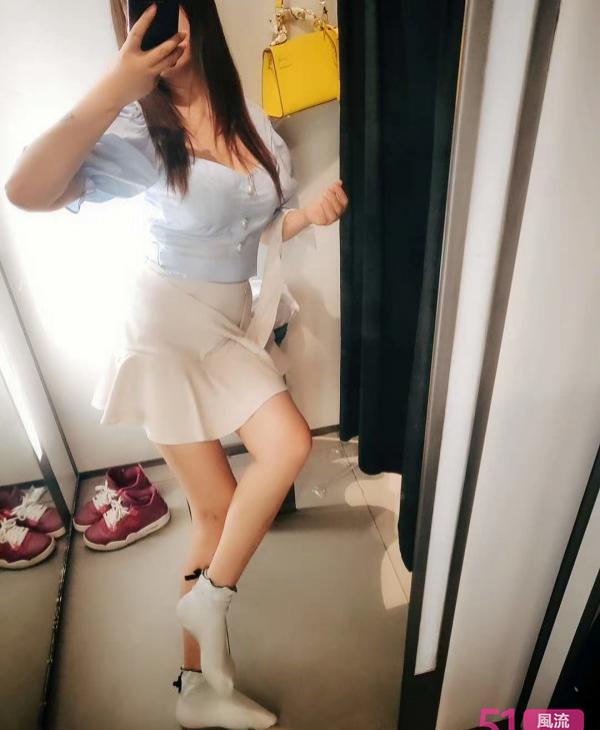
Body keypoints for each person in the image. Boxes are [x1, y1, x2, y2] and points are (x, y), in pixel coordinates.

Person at [5, 1, 348, 728]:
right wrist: (116, 86)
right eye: (146, 10)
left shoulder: (250, 119)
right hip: (162, 324)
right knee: (215, 507)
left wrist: (308, 216)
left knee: (286, 446)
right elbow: (25, 191)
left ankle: (207, 607)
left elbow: (255, 231)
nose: (167, 22)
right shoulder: (141, 130)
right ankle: (199, 687)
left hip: (226, 324)